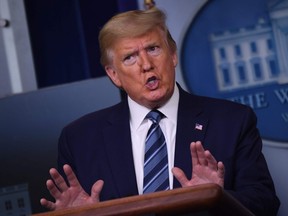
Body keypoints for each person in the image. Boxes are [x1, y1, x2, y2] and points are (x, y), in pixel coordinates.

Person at [40, 7, 280, 215]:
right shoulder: (79, 139)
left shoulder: (231, 121)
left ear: (173, 55)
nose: (146, 65)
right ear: (114, 75)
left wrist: (216, 198)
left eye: (153, 48)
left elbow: (266, 203)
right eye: (130, 57)